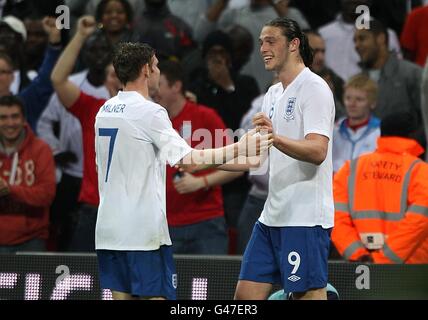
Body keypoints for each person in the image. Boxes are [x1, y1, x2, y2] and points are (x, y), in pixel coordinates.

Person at [93, 40, 270, 299]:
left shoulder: (104, 110)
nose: (157, 72)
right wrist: (239, 147)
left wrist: (244, 160)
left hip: (108, 229)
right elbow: (188, 161)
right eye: (155, 66)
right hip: (141, 230)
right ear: (145, 70)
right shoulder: (150, 111)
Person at [229, 17, 335, 300]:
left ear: (294, 44)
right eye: (261, 42)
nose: (263, 47)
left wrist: (275, 138)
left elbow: (317, 151)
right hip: (271, 216)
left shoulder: (314, 88)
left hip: (304, 218)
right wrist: (200, 160)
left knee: (307, 296)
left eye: (271, 41)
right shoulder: (273, 93)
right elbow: (258, 158)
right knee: (244, 298)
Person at [153, 60, 242, 255]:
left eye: (159, 84)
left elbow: (240, 164)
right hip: (165, 224)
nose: (154, 91)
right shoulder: (154, 122)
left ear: (176, 86)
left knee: (212, 285)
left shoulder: (205, 116)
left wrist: (201, 182)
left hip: (206, 222)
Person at [332, 112, 428, 263]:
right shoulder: (420, 171)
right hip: (411, 271)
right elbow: (419, 222)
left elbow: (335, 217)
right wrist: (382, 259)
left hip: (359, 270)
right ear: (414, 136)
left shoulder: (351, 169)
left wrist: (358, 255)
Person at [0, 95, 56, 253]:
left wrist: (10, 190)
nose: (10, 123)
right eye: (3, 118)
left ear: (24, 119)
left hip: (31, 239)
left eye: (15, 116)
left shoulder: (40, 149)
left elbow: (46, 195)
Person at [332, 74, 380, 173]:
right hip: (336, 186)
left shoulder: (380, 133)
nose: (352, 104)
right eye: (348, 98)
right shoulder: (333, 130)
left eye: (359, 99)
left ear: (373, 103)